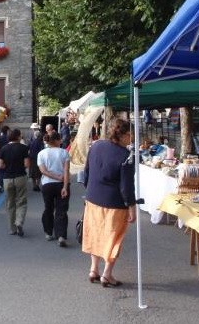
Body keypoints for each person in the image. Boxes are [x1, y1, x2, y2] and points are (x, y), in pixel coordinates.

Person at [82, 118, 136, 287]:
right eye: (130, 134)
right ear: (124, 135)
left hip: (93, 197)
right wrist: (132, 206)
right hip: (115, 202)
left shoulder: (96, 146)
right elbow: (126, 186)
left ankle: (93, 269)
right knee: (113, 237)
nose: (132, 138)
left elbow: (87, 171)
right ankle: (107, 273)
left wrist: (88, 189)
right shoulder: (126, 156)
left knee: (95, 233)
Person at [37, 132, 70, 247]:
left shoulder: (41, 154)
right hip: (61, 184)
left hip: (47, 185)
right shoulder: (64, 153)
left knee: (48, 208)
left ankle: (48, 232)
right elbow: (66, 171)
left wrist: (54, 177)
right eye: (60, 139)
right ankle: (61, 235)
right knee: (61, 210)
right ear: (57, 140)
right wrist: (65, 186)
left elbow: (43, 171)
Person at [0, 128, 30, 237]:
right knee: (21, 201)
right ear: (17, 136)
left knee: (10, 203)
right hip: (20, 176)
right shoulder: (24, 148)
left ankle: (12, 229)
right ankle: (19, 222)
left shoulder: (4, 148)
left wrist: (7, 166)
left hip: (7, 178)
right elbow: (26, 164)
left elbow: (0, 165)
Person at [0, 125, 10, 193]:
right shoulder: (9, 138)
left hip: (0, 156)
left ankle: (0, 185)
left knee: (1, 171)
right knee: (8, 170)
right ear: (7, 131)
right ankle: (7, 185)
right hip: (7, 156)